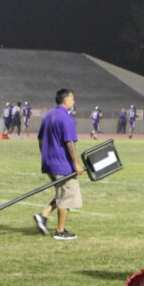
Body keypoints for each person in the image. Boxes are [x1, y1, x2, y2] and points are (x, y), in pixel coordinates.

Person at [34, 89, 83, 240]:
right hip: (62, 164)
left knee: (61, 192)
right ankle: (60, 231)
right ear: (66, 100)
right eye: (72, 99)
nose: (73, 102)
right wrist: (76, 163)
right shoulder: (66, 118)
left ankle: (44, 215)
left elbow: (40, 139)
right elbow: (69, 143)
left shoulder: (48, 115)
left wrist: (46, 156)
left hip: (49, 162)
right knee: (68, 195)